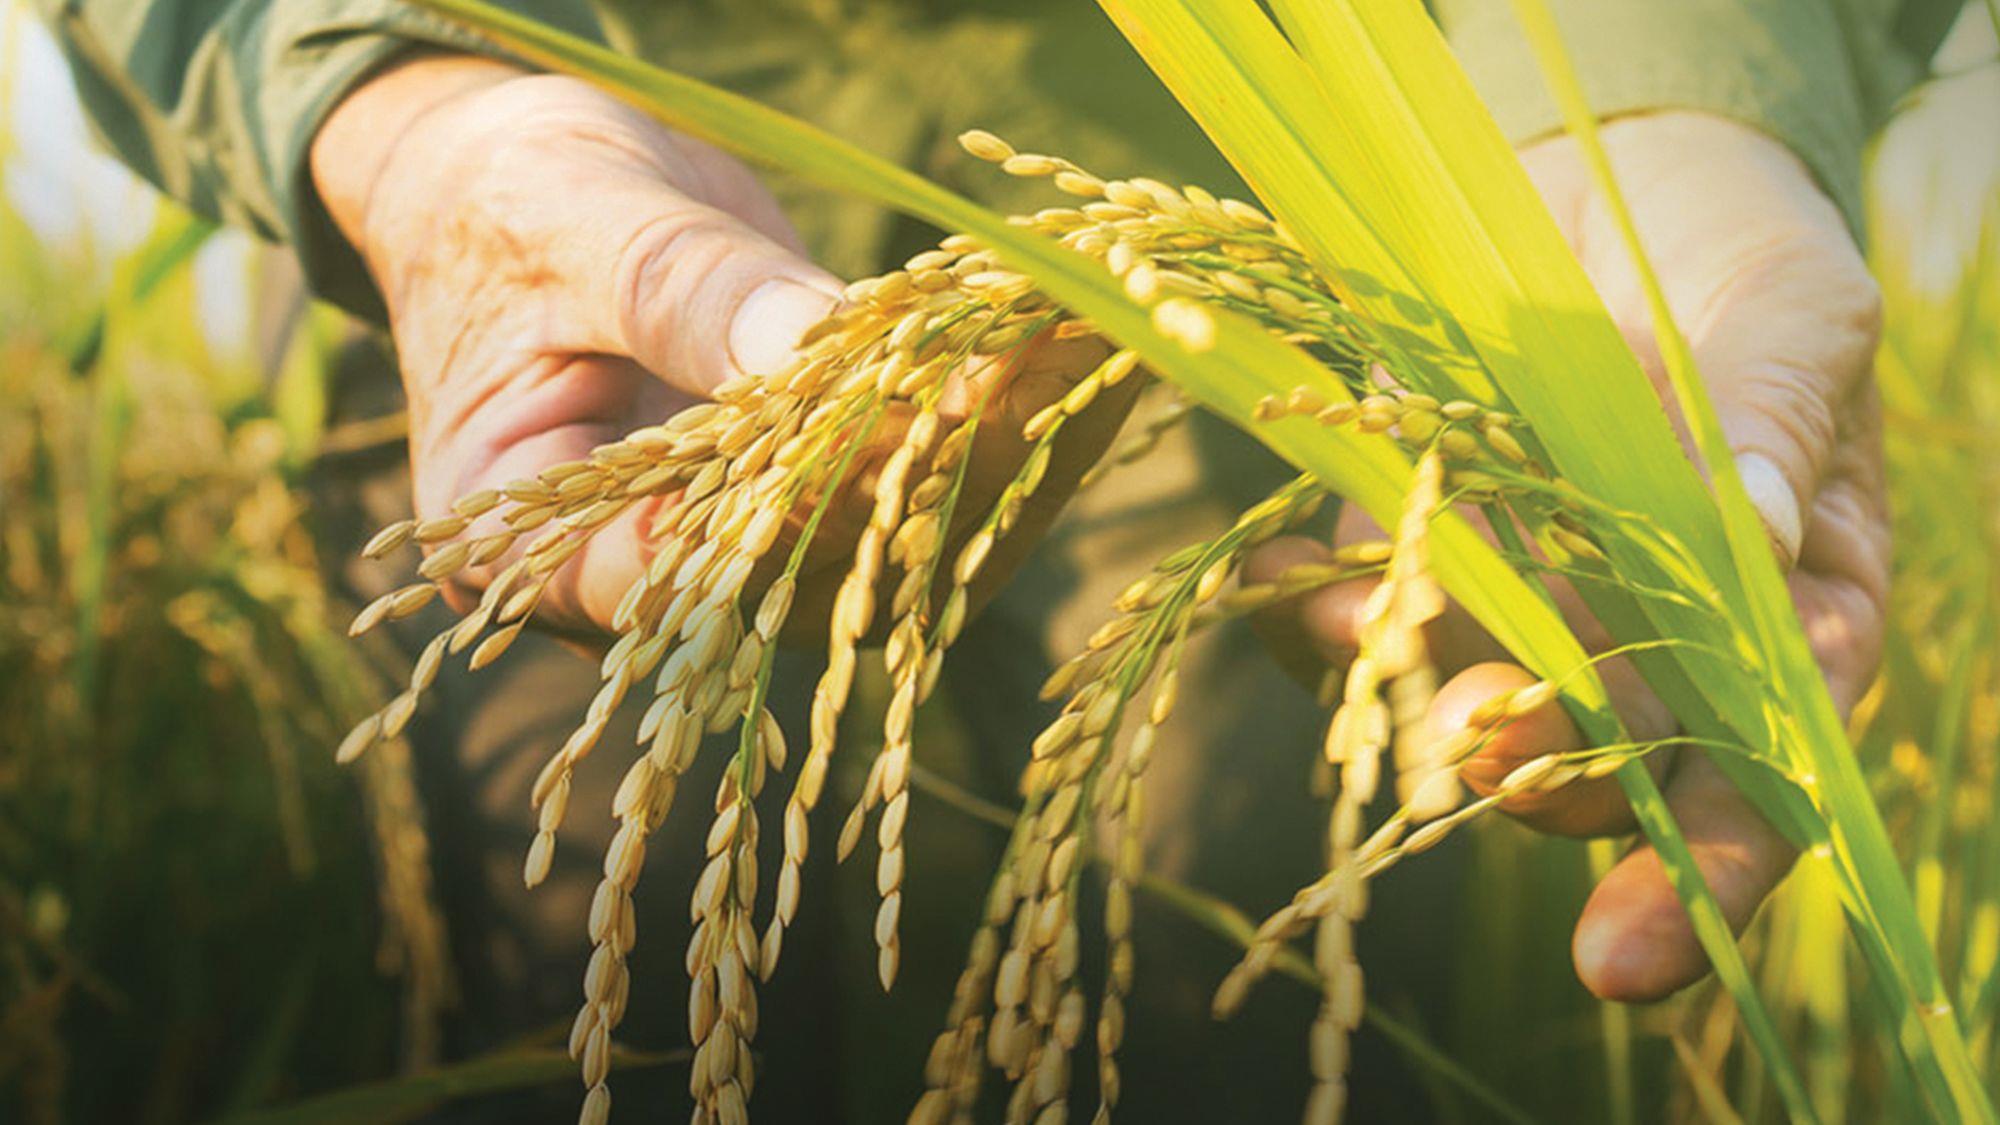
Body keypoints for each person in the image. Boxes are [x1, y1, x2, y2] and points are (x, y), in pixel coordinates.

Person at [28, 0, 1939, 1118]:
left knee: (1230, 921)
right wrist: (398, 98)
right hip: (565, 205)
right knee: (597, 936)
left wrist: (1676, 103)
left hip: (1191, 207)